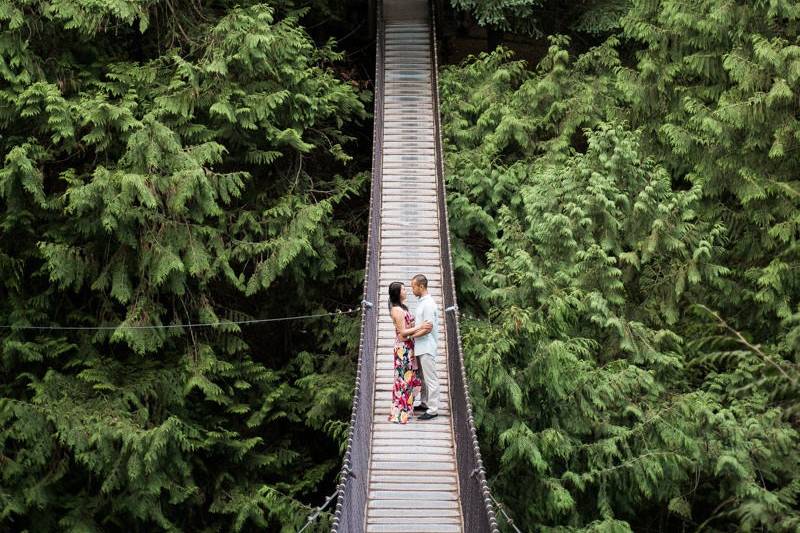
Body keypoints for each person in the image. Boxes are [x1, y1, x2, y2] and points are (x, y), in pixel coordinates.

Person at [387, 281, 432, 424]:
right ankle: (401, 411)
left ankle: (406, 408)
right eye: (403, 289)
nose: (406, 291)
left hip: (408, 348)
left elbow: (407, 326)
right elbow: (402, 333)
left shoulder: (402, 308)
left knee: (409, 377)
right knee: (404, 378)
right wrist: (420, 326)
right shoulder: (396, 310)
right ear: (397, 293)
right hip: (403, 349)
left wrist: (417, 326)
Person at [410, 274, 440, 420]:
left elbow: (428, 328)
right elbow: (421, 324)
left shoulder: (428, 303)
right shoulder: (422, 302)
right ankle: (424, 402)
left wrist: (411, 336)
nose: (412, 289)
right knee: (422, 377)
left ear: (421, 286)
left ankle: (433, 410)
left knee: (430, 378)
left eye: (413, 286)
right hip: (420, 346)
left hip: (427, 346)